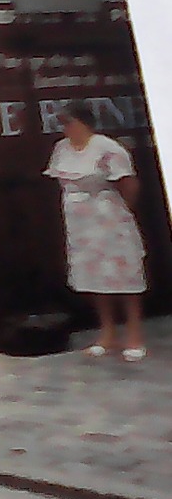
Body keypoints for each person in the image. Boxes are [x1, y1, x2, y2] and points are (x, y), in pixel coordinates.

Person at [44, 100, 148, 361]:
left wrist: (120, 209)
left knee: (123, 275)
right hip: (80, 222)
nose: (65, 128)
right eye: (62, 123)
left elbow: (128, 184)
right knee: (94, 276)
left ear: (84, 122)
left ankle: (134, 335)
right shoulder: (62, 148)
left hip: (108, 216)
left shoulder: (108, 148)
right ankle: (108, 332)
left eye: (69, 122)